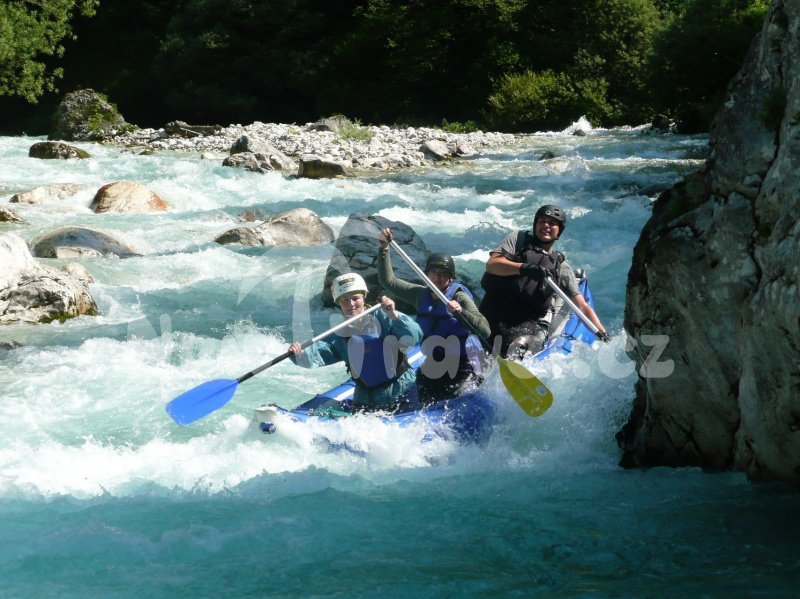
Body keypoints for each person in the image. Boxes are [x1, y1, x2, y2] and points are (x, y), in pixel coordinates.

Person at [480, 204, 609, 359]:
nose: (546, 226)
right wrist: (524, 268)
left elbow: (582, 306)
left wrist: (602, 333)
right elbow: (492, 265)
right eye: (542, 221)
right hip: (492, 311)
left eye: (552, 223)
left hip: (523, 323)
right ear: (535, 224)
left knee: (515, 351)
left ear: (559, 231)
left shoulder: (561, 268)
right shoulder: (517, 240)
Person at [377, 228, 490, 403]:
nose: (437, 278)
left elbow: (485, 330)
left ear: (451, 278)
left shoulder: (459, 296)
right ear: (426, 274)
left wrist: (461, 311)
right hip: (434, 362)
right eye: (433, 273)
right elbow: (389, 281)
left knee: (457, 398)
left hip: (462, 365)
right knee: (424, 389)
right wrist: (384, 248)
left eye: (443, 274)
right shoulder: (419, 294)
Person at [288, 272, 423, 412]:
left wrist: (393, 315)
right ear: (338, 303)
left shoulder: (383, 316)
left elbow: (413, 336)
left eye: (355, 298)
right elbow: (318, 354)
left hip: (401, 389)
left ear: (363, 298)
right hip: (366, 397)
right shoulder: (340, 333)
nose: (351, 304)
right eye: (344, 300)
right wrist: (300, 353)